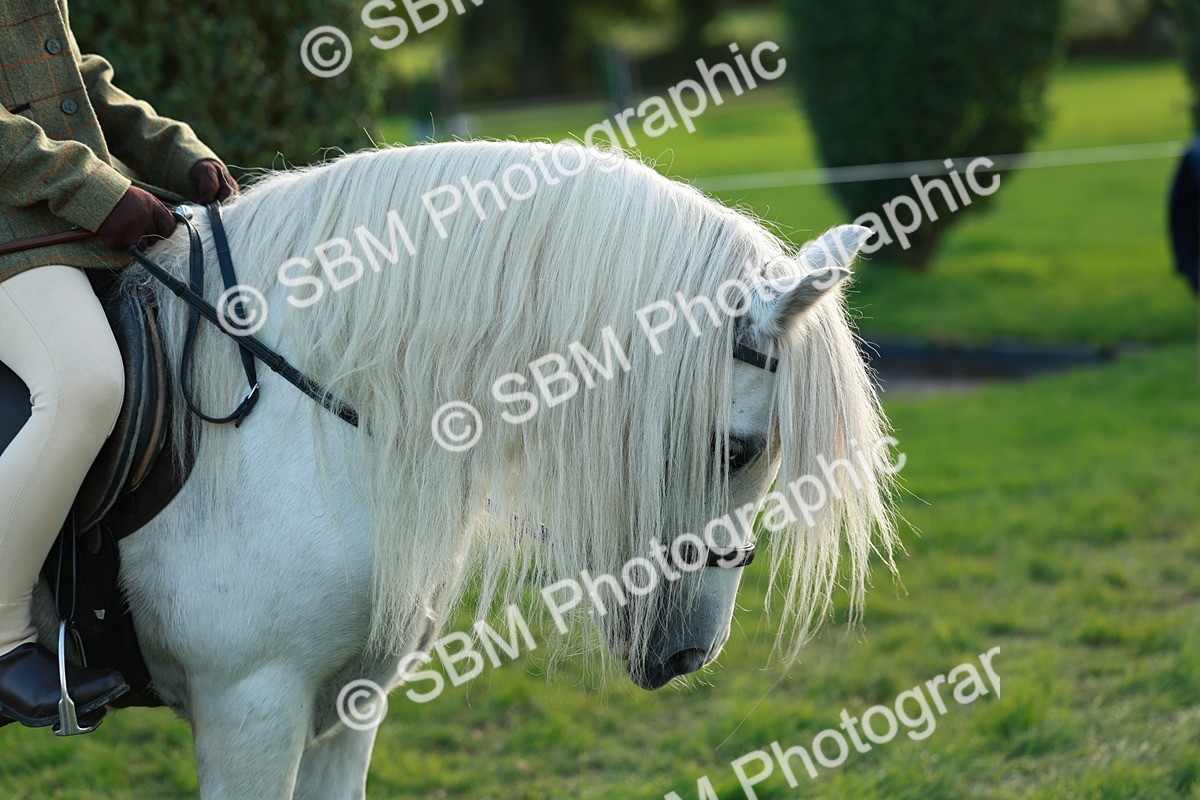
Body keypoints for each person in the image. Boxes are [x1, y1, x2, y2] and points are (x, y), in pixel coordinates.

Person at [0, 0, 238, 730]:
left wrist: (178, 154)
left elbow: (76, 77)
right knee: (83, 383)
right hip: (16, 232)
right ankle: (6, 640)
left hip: (65, 222)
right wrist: (100, 193)